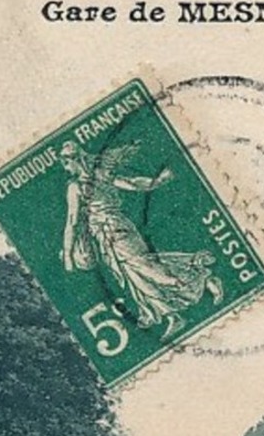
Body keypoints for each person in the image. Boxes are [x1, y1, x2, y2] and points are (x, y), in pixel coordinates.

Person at [59, 140, 223, 340]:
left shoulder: (76, 187)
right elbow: (133, 183)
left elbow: (72, 222)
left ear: (77, 160)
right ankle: (171, 315)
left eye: (67, 163)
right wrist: (157, 182)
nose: (66, 168)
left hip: (115, 231)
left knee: (144, 267)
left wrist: (68, 255)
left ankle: (201, 278)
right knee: (132, 276)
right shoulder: (100, 176)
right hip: (106, 237)